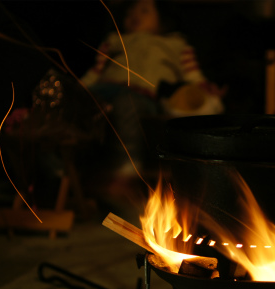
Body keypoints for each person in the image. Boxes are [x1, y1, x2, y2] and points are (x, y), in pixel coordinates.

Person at [81, 0, 224, 182]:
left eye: (144, 11)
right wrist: (78, 88)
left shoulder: (176, 44)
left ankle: (127, 165)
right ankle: (59, 167)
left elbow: (193, 76)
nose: (135, 15)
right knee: (75, 105)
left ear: (163, 19)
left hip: (141, 94)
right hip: (105, 89)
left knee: (128, 105)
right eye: (130, 11)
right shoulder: (114, 40)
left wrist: (207, 90)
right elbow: (95, 72)